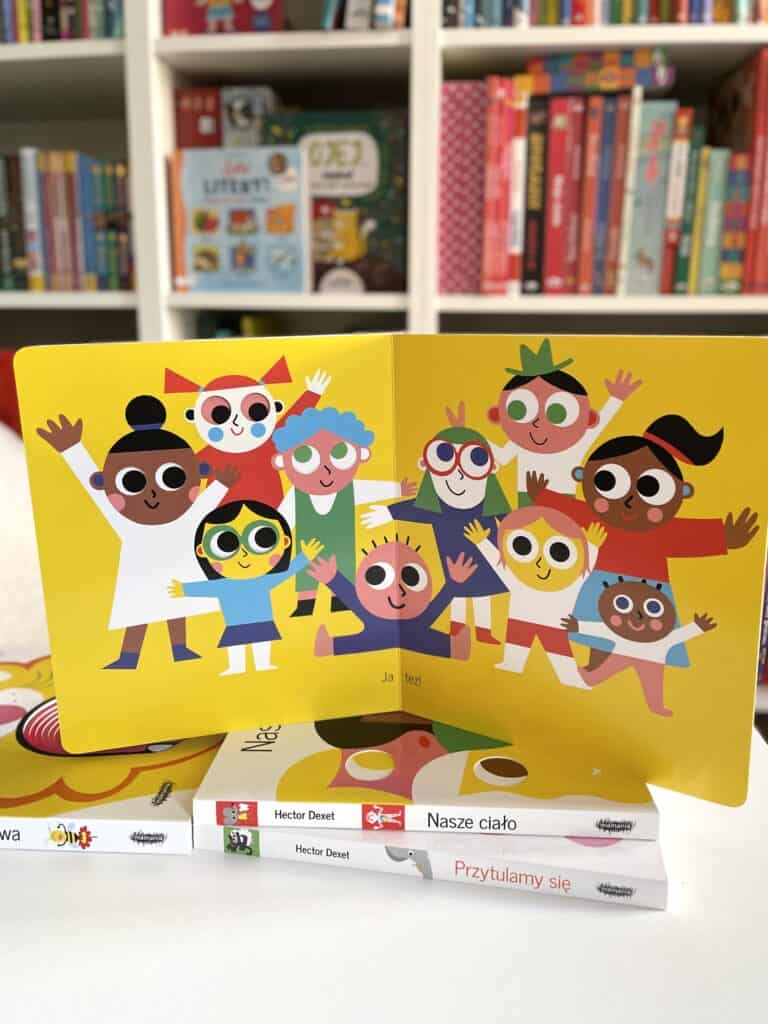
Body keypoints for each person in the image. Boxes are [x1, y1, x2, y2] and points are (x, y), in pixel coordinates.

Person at [37, 397, 238, 670]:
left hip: (174, 567)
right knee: (138, 611)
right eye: (132, 482)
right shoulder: (125, 521)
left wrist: (221, 485)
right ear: (105, 484)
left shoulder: (182, 518)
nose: (152, 493)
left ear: (197, 475)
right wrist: (72, 450)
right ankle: (129, 656)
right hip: (138, 571)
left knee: (177, 606)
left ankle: (179, 648)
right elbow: (93, 490)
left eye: (173, 478)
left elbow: (202, 507)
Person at [273, 406, 414, 617]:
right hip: (308, 547)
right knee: (306, 573)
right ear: (284, 461)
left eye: (340, 453)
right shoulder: (296, 495)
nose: (325, 469)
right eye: (304, 456)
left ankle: (339, 599)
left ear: (361, 454)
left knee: (343, 567)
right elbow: (282, 520)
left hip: (342, 545)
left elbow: (371, 489)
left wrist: (398, 490)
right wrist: (275, 542)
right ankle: (305, 603)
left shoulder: (350, 489)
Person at [170, 500, 322, 675]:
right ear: (202, 551)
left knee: (262, 642)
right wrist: (184, 589)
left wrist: (304, 558)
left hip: (262, 621)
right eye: (225, 544)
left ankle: (263, 664)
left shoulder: (262, 581)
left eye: (262, 539)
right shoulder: (224, 586)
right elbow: (205, 588)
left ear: (285, 541)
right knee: (236, 645)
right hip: (235, 624)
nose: (243, 553)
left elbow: (286, 573)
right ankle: (236, 667)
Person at [486, 338, 641, 506]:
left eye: (558, 413)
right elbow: (501, 456)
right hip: (526, 500)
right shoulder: (520, 443)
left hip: (563, 502)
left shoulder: (577, 444)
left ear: (589, 419)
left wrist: (616, 399)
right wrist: (472, 436)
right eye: (519, 410)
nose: (538, 422)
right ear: (498, 414)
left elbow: (599, 426)